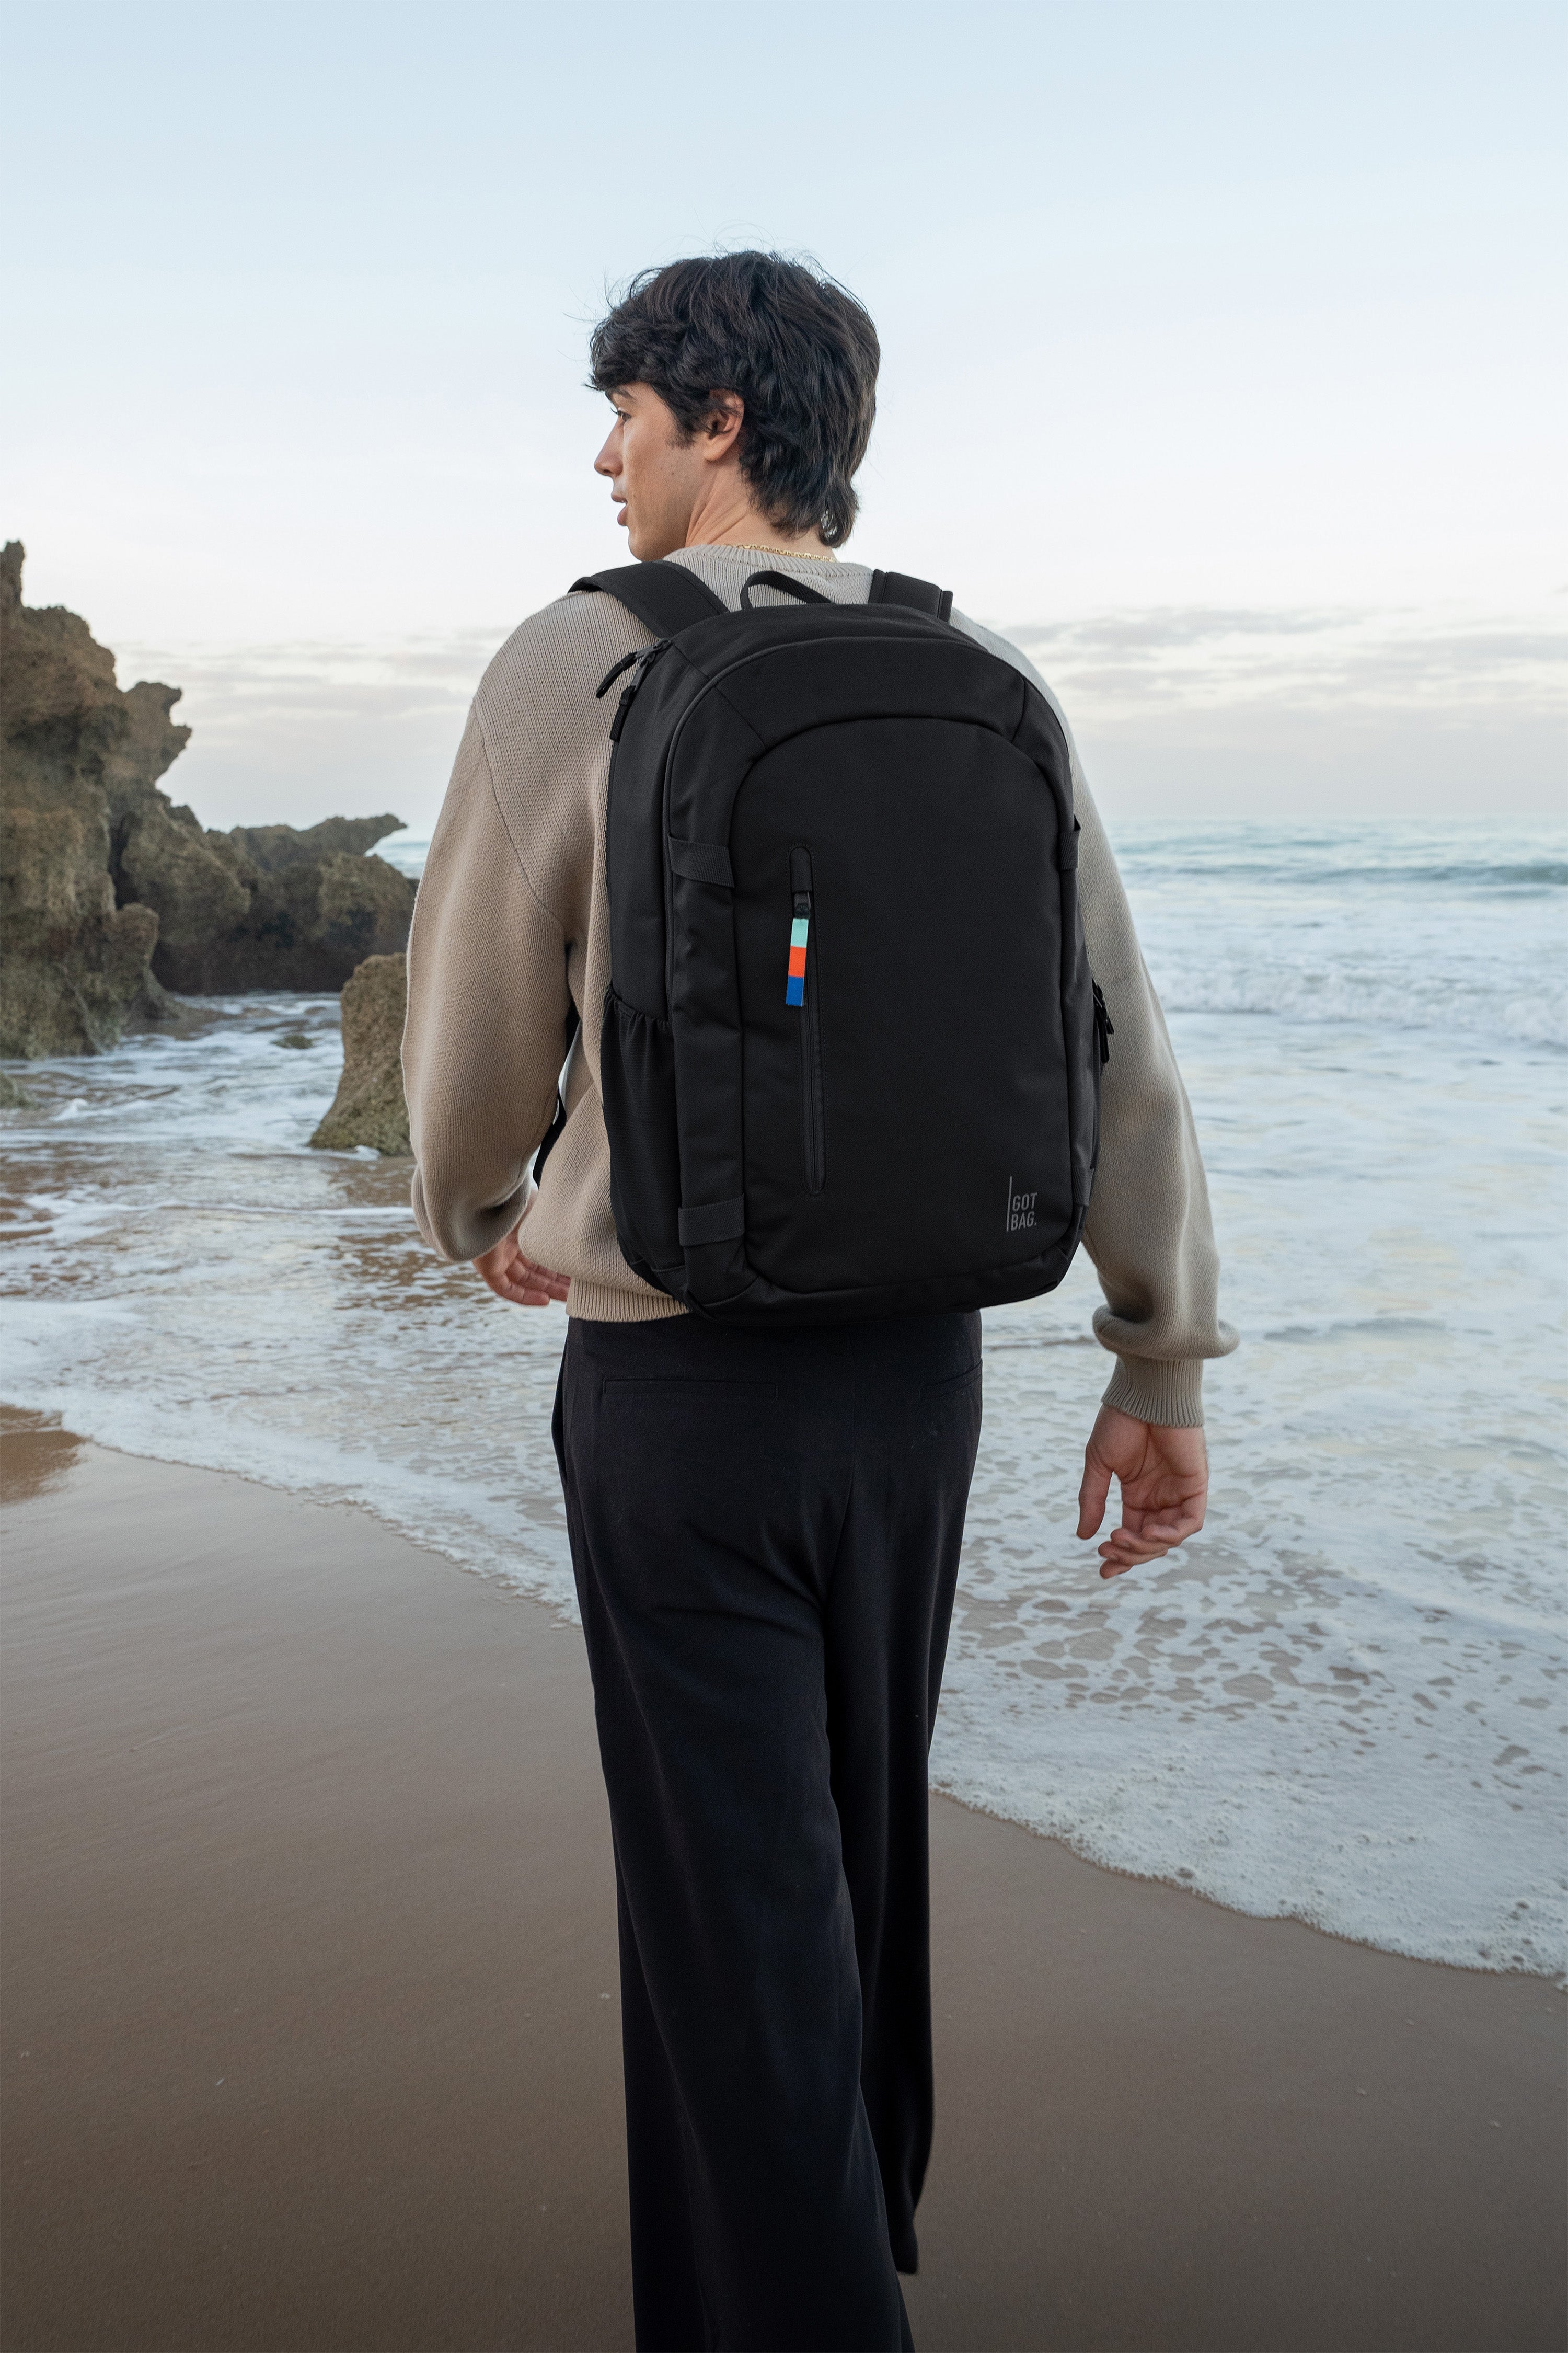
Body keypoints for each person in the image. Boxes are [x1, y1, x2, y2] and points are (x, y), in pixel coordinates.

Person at [403, 250, 1236, 2353]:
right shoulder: (982, 673)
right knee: (853, 1875)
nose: (605, 459)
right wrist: (1158, 1354)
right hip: (919, 1384)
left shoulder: (575, 659)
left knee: (736, 1927)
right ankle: (830, 2257)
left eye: (626, 415)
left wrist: (479, 1204)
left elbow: (474, 1017)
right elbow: (1116, 1038)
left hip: (682, 1391)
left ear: (720, 419)